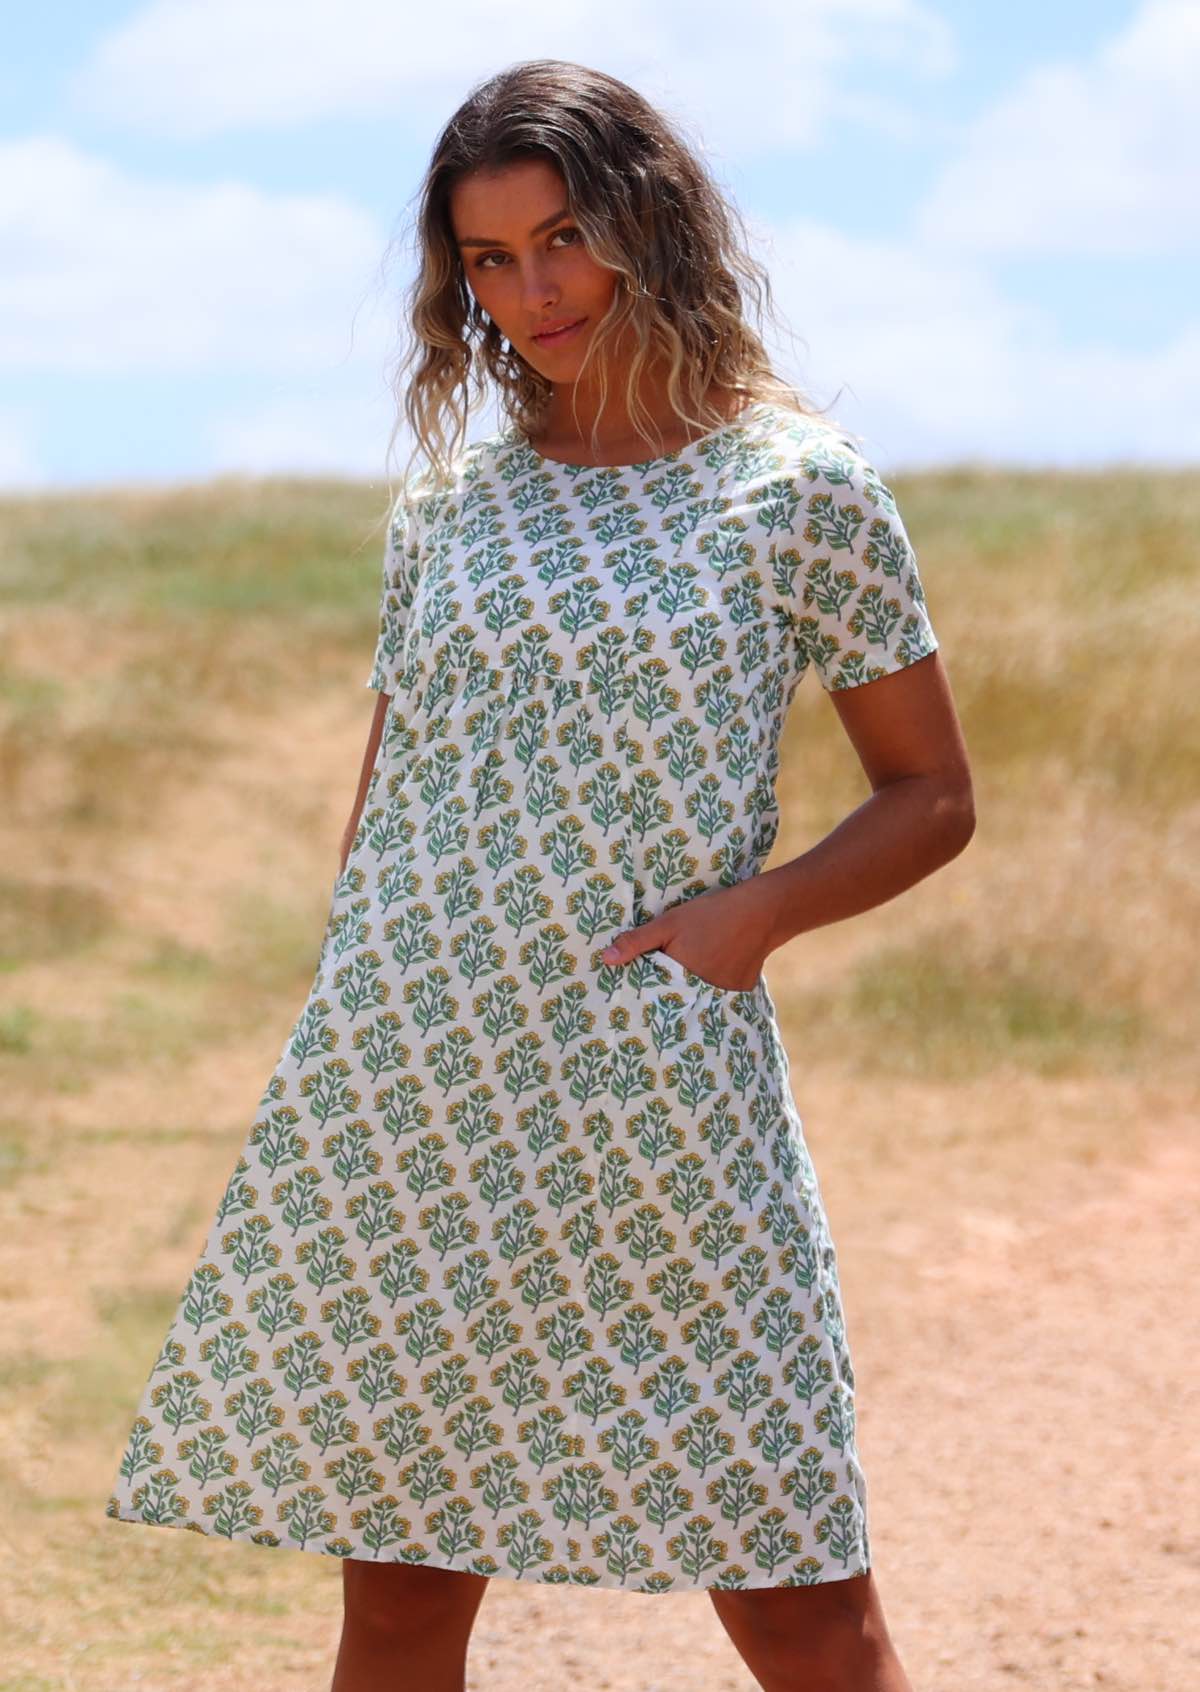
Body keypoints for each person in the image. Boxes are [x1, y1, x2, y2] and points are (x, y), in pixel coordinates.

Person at [106, 58, 974, 1692]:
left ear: (651, 221)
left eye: (562, 239)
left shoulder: (800, 492)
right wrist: (350, 1021)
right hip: (422, 1088)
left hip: (659, 1089)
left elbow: (931, 795)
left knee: (797, 1588)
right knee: (407, 1594)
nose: (532, 293)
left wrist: (757, 916)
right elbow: (393, 796)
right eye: (489, 262)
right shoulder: (450, 508)